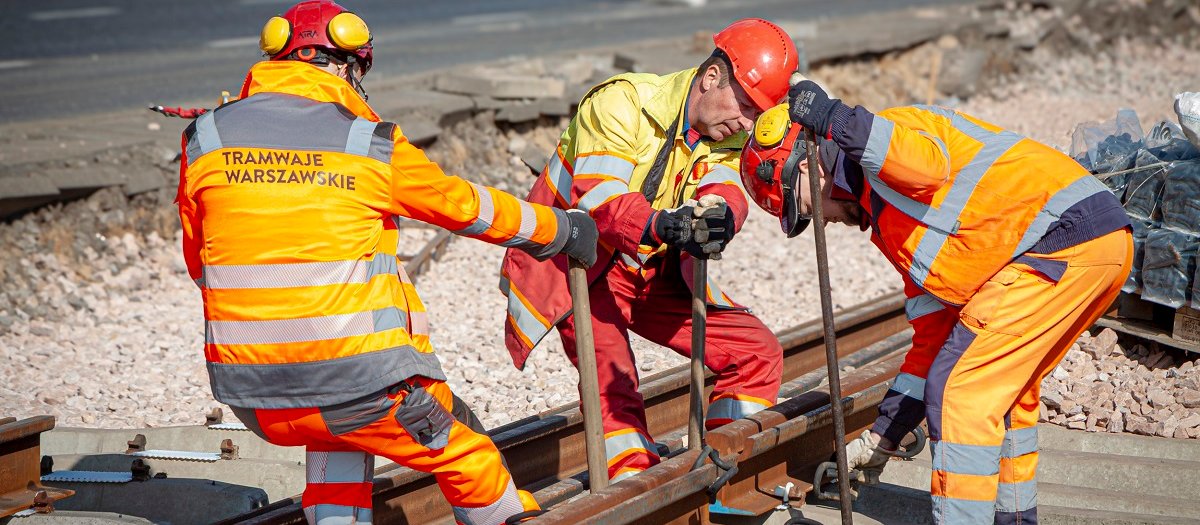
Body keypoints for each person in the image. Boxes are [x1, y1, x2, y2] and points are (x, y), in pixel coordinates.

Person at [175, 2, 598, 523]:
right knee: (467, 453)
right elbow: (464, 206)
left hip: (252, 395)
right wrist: (560, 229)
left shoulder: (206, 138)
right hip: (359, 385)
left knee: (337, 443)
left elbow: (200, 264)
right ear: (347, 68)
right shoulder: (366, 142)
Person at [739, 83, 1133, 524]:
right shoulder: (894, 228)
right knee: (1004, 395)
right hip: (1091, 247)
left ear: (809, 165)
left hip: (1064, 240)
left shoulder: (892, 137)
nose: (823, 222)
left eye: (809, 208)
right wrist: (881, 439)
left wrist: (834, 118)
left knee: (959, 393)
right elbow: (931, 342)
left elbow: (925, 167)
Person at [499, 18, 798, 483]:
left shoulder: (728, 131)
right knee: (612, 383)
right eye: (744, 106)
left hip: (646, 265)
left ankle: (726, 475)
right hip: (578, 266)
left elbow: (722, 185)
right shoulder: (621, 103)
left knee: (756, 354)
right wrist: (661, 224)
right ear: (711, 77)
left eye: (756, 114)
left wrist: (723, 215)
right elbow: (599, 199)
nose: (746, 123)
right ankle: (635, 488)